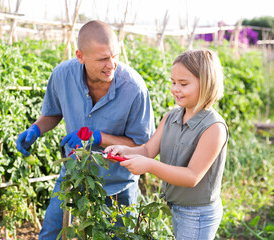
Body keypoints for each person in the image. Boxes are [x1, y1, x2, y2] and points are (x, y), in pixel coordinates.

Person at [16, 20, 155, 239]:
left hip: (117, 183)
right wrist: (35, 129)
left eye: (114, 56)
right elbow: (53, 113)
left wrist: (97, 137)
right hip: (74, 173)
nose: (111, 65)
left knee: (120, 236)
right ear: (80, 56)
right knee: (51, 233)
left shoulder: (134, 88)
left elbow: (143, 146)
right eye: (102, 59)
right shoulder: (62, 75)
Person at [105, 49, 228, 240]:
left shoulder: (213, 127)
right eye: (173, 82)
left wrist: (149, 166)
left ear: (206, 84)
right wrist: (125, 151)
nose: (175, 89)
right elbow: (147, 150)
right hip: (178, 206)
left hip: (198, 214)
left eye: (183, 84)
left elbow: (192, 177)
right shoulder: (172, 116)